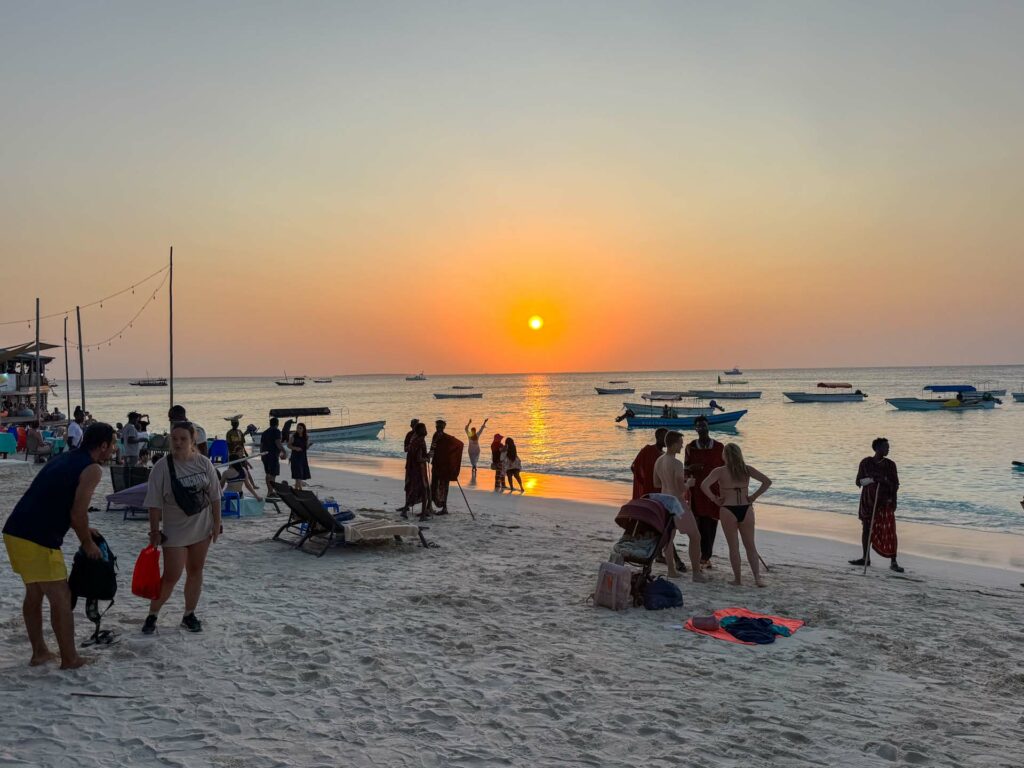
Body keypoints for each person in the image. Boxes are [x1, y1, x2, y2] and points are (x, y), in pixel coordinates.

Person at [2, 422, 115, 668]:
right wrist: (87, 543)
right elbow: (77, 513)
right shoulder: (92, 468)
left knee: (34, 592)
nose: (114, 450)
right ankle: (70, 658)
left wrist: (86, 530)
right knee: (61, 597)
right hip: (38, 538)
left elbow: (57, 499)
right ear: (104, 446)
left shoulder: (64, 458)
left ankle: (40, 652)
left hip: (15, 530)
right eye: (113, 445)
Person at [142, 421, 222, 635]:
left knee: (195, 571)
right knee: (171, 576)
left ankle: (189, 614)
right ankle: (153, 614)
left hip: (202, 527)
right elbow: (154, 503)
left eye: (182, 439)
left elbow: (215, 496)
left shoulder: (204, 463)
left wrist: (217, 523)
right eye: (174, 438)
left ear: (192, 440)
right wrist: (154, 531)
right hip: (175, 531)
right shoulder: (162, 468)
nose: (177, 443)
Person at [700, 443, 771, 587]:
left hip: (728, 509)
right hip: (746, 508)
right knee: (750, 546)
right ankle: (757, 578)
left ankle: (738, 579)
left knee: (734, 547)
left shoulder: (720, 471)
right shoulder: (747, 469)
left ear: (725, 455)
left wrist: (714, 499)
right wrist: (753, 496)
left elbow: (704, 485)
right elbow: (767, 482)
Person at [650, 431, 705, 582]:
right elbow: (681, 488)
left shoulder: (659, 460)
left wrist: (668, 483)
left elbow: (656, 483)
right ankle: (696, 573)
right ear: (674, 445)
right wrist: (689, 483)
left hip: (664, 501)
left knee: (669, 537)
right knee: (695, 536)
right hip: (677, 503)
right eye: (680, 442)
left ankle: (671, 570)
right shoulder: (677, 464)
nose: (682, 445)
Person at [849, 437, 903, 573]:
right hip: (868, 501)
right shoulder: (866, 463)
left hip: (885, 502)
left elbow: (895, 484)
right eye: (885, 447)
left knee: (889, 531)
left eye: (888, 447)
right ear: (877, 448)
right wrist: (872, 479)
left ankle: (893, 561)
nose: (888, 449)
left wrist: (893, 498)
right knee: (866, 529)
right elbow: (858, 482)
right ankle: (865, 558)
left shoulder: (890, 465)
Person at [684, 416, 726, 569]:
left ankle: (706, 557)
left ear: (708, 427)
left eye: (704, 425)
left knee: (711, 524)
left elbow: (726, 469)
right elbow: (684, 470)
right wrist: (691, 469)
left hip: (713, 492)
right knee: (698, 525)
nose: (702, 428)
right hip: (696, 492)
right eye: (699, 426)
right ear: (695, 429)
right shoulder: (690, 447)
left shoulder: (719, 447)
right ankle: (701, 556)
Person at [402, 422, 430, 519]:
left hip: (413, 469)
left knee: (414, 490)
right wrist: (427, 458)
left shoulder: (414, 440)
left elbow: (410, 452)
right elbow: (419, 458)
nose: (426, 430)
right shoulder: (420, 441)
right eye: (424, 428)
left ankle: (405, 510)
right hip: (419, 470)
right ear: (421, 431)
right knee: (424, 490)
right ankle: (423, 515)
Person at [630, 428, 666, 499]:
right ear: (657, 437)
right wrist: (644, 481)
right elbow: (634, 466)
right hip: (648, 489)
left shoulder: (665, 455)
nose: (666, 440)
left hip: (661, 490)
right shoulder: (647, 450)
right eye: (664, 437)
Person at [259, 417, 287, 497]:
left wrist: (261, 455)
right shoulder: (276, 431)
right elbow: (278, 443)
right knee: (273, 474)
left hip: (265, 455)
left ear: (270, 423)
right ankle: (271, 492)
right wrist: (284, 451)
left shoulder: (264, 432)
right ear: (277, 424)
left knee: (268, 474)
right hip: (273, 455)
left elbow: (261, 445)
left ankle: (269, 491)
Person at [398, 419, 420, 513]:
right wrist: (411, 446)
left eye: (417, 425)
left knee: (420, 484)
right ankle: (406, 504)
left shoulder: (420, 435)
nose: (415, 426)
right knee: (408, 483)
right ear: (411, 426)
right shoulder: (409, 435)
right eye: (414, 425)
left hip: (418, 463)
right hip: (410, 462)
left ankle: (425, 507)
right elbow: (405, 449)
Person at [428, 419, 451, 514]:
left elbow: (433, 448)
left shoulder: (441, 436)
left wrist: (428, 456)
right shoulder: (443, 437)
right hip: (441, 464)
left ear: (443, 427)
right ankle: (432, 506)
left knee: (439, 485)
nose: (438, 428)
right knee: (438, 485)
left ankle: (439, 507)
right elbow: (433, 448)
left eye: (439, 426)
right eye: (437, 426)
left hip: (441, 465)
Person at [288, 423, 312, 490]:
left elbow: (305, 448)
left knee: (300, 474)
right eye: (298, 428)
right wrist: (295, 448)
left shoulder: (306, 437)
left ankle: (296, 489)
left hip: (303, 457)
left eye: (300, 428)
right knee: (298, 474)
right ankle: (300, 489)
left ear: (303, 429)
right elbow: (288, 445)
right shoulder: (293, 436)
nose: (298, 429)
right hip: (295, 457)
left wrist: (309, 446)